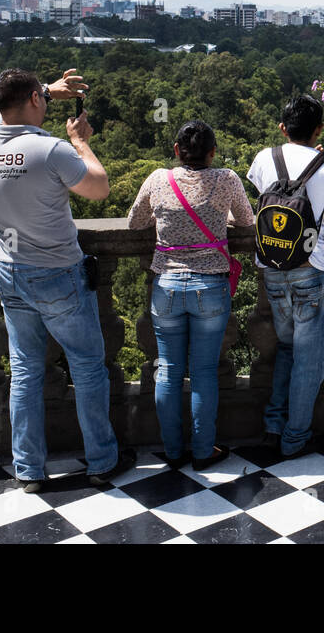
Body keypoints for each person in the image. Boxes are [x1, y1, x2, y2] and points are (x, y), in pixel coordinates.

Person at [0, 67, 134, 492]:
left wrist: (45, 90)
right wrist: (81, 141)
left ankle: (29, 469)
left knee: (25, 372)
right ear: (34, 101)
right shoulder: (52, 149)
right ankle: (101, 459)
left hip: (9, 270)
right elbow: (99, 188)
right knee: (87, 367)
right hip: (57, 272)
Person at [127, 120, 254, 471]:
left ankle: (171, 451)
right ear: (212, 153)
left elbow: (134, 223)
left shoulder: (157, 179)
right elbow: (246, 221)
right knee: (203, 373)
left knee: (167, 370)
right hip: (210, 286)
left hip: (166, 285)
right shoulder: (226, 179)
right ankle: (202, 450)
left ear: (177, 151)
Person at [246, 95, 324, 458]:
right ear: (319, 129)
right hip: (311, 270)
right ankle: (296, 437)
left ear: (282, 128)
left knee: (287, 349)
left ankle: (274, 424)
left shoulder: (263, 158)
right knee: (309, 360)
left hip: (272, 268)